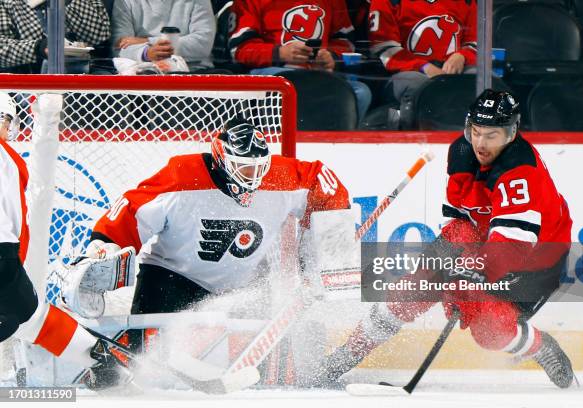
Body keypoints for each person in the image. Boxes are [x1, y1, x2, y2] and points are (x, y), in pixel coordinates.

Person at [310, 89, 575, 389]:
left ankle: (540, 347)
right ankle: (347, 355)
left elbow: (512, 245)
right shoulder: (461, 153)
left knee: (489, 329)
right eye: (475, 132)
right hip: (484, 241)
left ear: (511, 133)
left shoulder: (520, 173)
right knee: (412, 288)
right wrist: (452, 279)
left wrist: (474, 273)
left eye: (492, 135)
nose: (480, 143)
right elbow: (461, 220)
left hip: (535, 259)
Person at [66, 117, 349, 349]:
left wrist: (326, 259)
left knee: (253, 371)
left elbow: (327, 188)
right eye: (244, 168)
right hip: (173, 277)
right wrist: (103, 246)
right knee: (143, 356)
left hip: (244, 285)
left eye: (259, 169)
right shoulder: (182, 175)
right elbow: (131, 210)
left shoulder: (282, 176)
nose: (253, 179)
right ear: (221, 158)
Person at [0, 92, 130, 390]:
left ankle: (105, 364)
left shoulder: (7, 158)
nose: (8, 130)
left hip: (3, 257)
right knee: (33, 320)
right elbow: (20, 223)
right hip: (4, 256)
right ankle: (104, 364)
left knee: (30, 320)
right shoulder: (10, 159)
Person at [228, 0, 372, 124]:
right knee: (292, 86)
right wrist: (279, 53)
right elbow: (240, 49)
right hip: (273, 73)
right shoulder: (249, 2)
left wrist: (331, 58)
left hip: (318, 75)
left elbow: (345, 44)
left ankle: (338, 145)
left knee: (361, 92)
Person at [369, 0, 477, 128]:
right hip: (405, 73)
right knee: (417, 85)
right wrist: (423, 66)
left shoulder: (467, 2)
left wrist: (462, 55)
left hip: (453, 70)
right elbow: (385, 48)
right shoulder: (388, 2)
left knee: (480, 80)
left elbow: (477, 40)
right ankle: (411, 140)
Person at [0, 0, 110, 73]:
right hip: (27, 77)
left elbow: (100, 35)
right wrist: (39, 48)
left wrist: (68, 2)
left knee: (113, 96)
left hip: (83, 71)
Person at [111, 0, 216, 72]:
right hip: (141, 73)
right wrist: (146, 53)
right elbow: (119, 47)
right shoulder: (124, 2)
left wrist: (147, 41)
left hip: (194, 72)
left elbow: (203, 43)